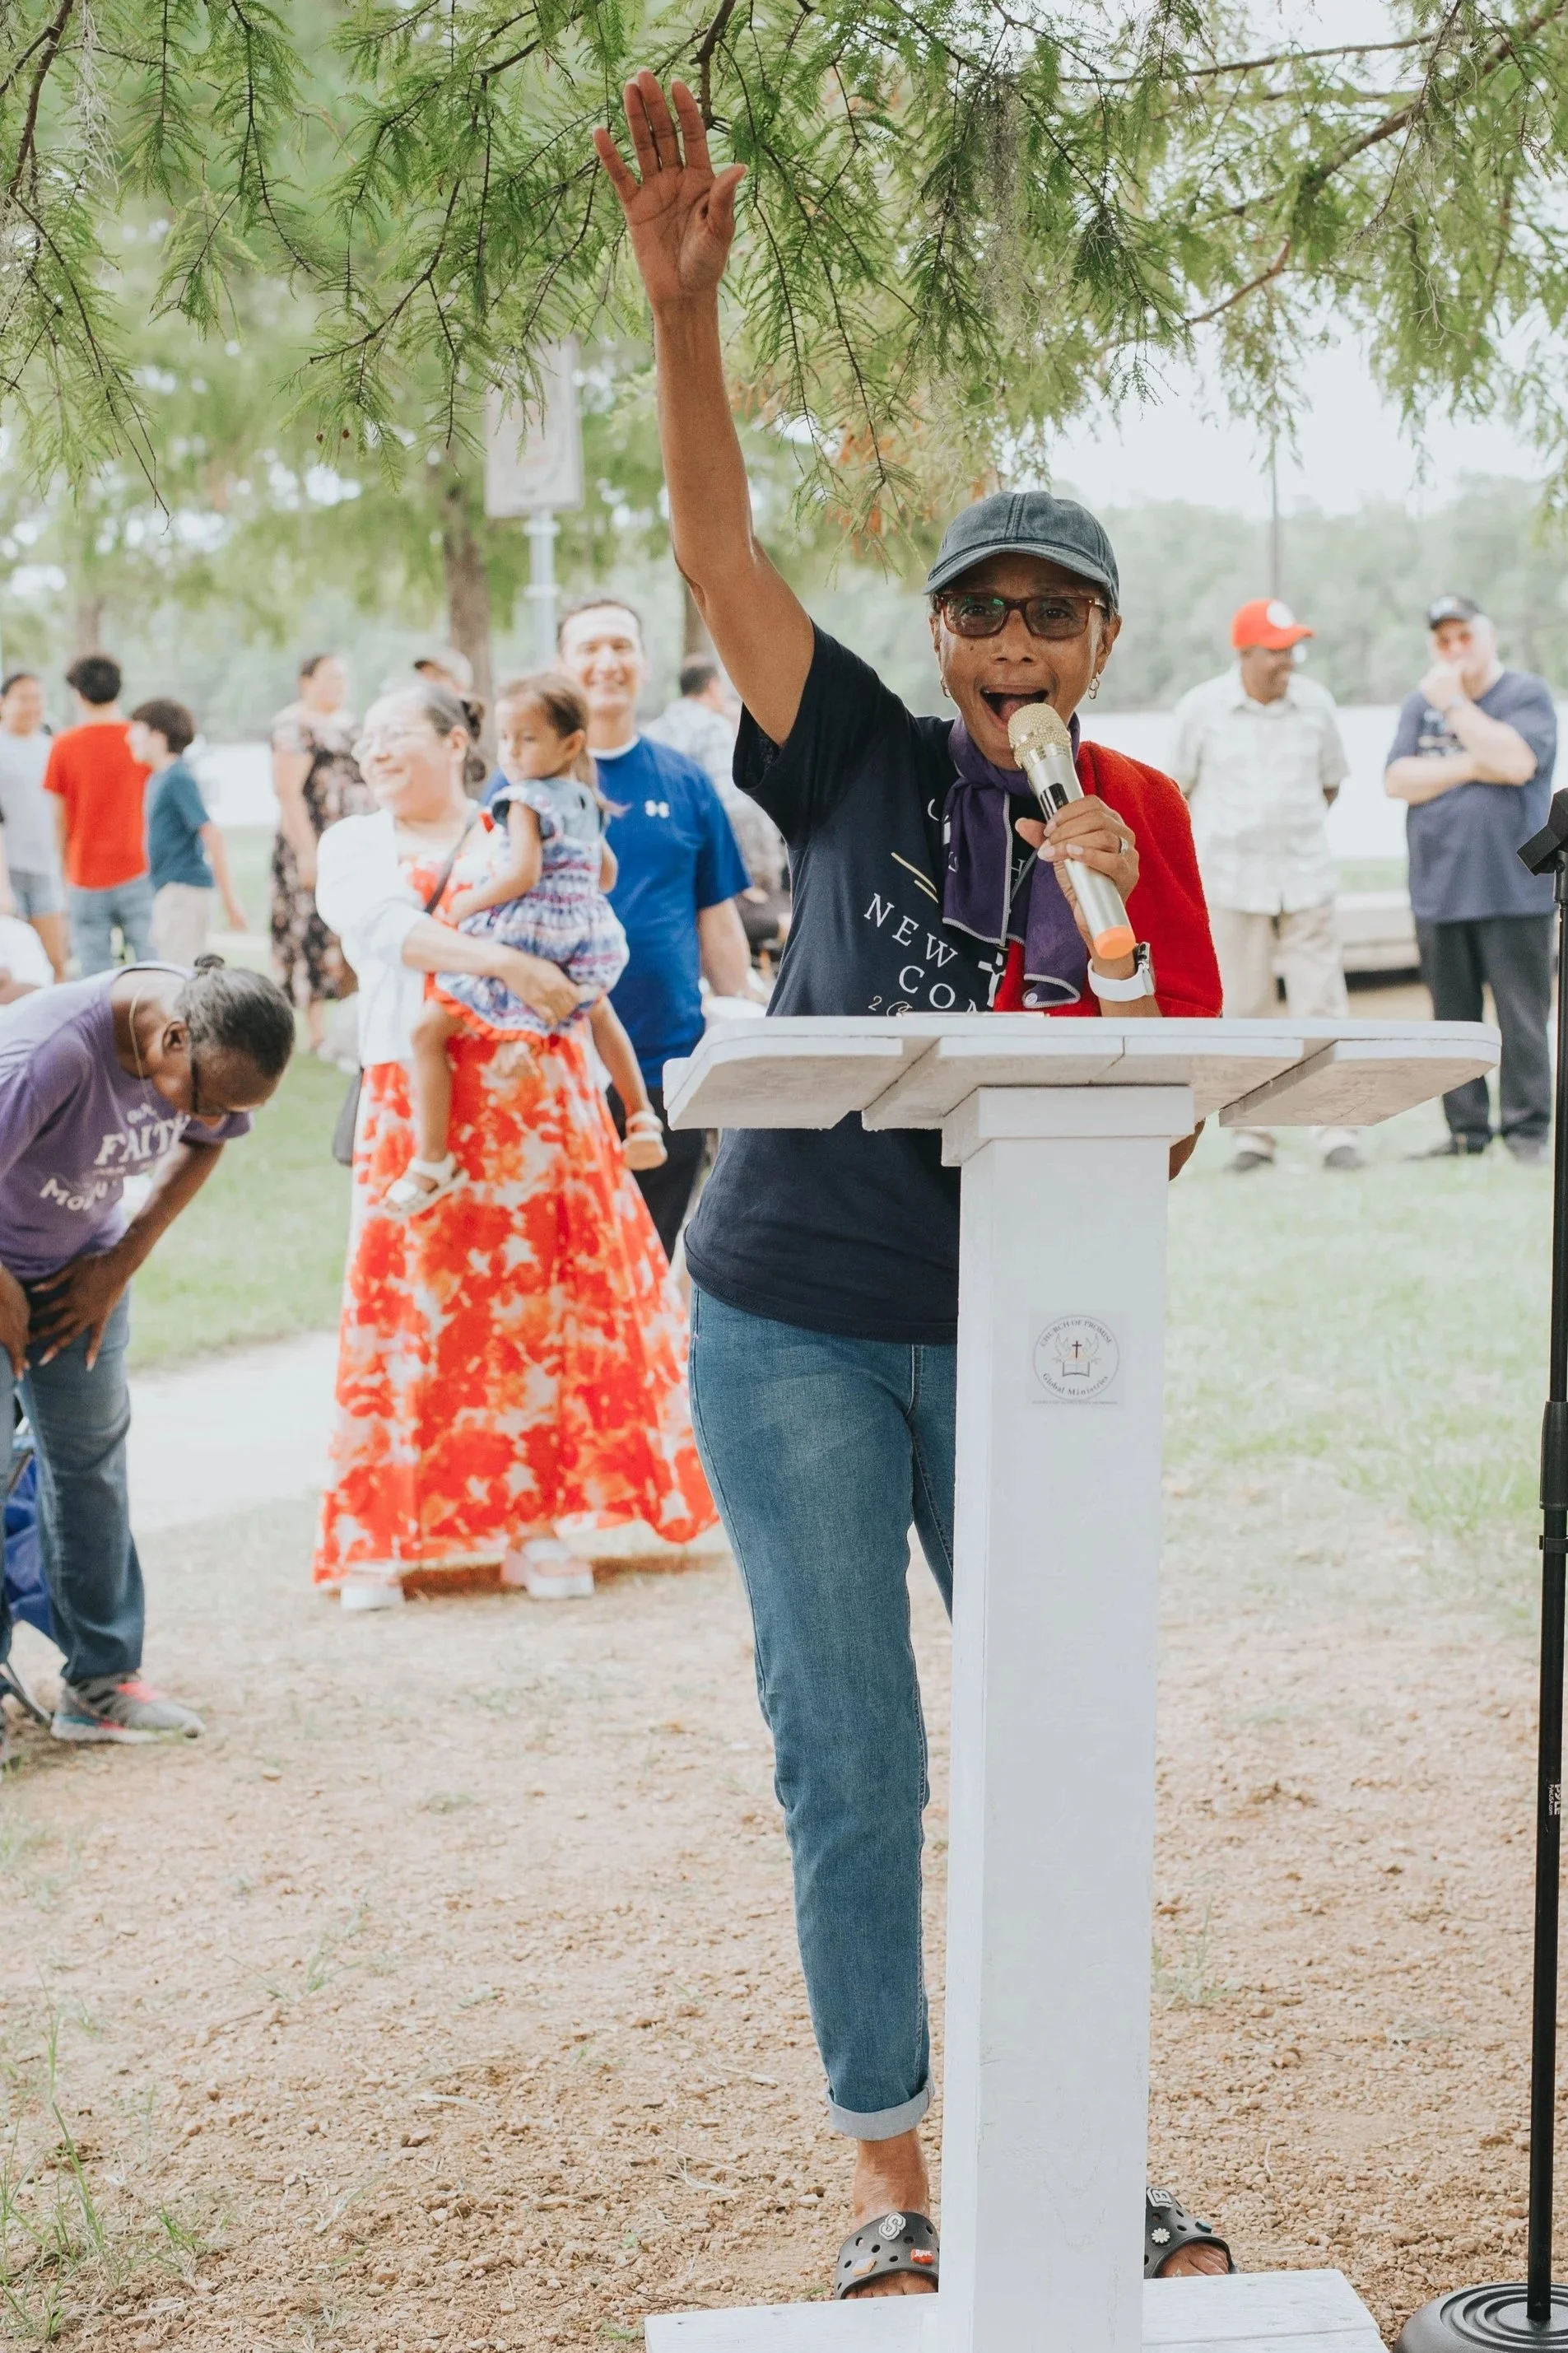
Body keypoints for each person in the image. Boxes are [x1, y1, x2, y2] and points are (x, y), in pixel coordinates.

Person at [595, 71, 1231, 2299]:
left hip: (1018, 1330)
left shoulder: (1136, 812)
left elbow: (1171, 1104)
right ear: (945, 633)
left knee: (1059, 1723)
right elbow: (715, 553)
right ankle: (894, 2181)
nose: (1016, 645)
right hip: (787, 1311)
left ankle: (1073, 2135)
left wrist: (1117, 921)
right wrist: (687, 313)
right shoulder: (856, 748)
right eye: (986, 609)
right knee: (851, 1748)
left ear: (1101, 644)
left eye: (1055, 615)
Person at [312, 679, 717, 1606]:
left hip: (539, 1096)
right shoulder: (356, 842)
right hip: (419, 1097)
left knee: (537, 1316)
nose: (375, 751)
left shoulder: (527, 818)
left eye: (397, 733)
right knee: (408, 1300)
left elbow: (591, 910)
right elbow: (386, 932)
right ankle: (382, 1532)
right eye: (366, 737)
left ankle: (535, 1521)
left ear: (459, 741)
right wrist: (506, 962)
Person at [0, 958, 294, 1758]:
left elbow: (206, 1144)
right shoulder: (50, 1052)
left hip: (80, 1269)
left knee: (89, 1461)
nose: (209, 1118)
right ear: (171, 1035)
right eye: (202, 1099)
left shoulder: (205, 1042)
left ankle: (100, 1683)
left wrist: (117, 1264)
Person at [389, 673, 668, 1214]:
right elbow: (606, 874)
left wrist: (469, 903)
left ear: (570, 744)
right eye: (507, 738)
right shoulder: (587, 800)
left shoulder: (524, 800)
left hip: (528, 935)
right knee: (599, 1012)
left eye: (528, 739)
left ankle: (430, 1158)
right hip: (583, 935)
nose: (512, 752)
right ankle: (641, 1115)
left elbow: (520, 873)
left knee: (427, 1031)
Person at [555, 598, 752, 1257]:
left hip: (667, 1067)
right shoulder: (521, 782)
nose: (606, 662)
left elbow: (717, 921)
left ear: (643, 664)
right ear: (562, 666)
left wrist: (746, 1029)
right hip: (554, 1069)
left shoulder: (686, 780)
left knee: (648, 1259)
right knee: (561, 1266)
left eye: (621, 646)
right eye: (588, 648)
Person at [1171, 599, 1361, 1172]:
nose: (1287, 662)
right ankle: (1253, 1139)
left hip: (1305, 876)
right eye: (1276, 652)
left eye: (1291, 650)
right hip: (1230, 883)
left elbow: (1330, 784)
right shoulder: (1202, 708)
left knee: (1321, 1007)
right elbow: (1177, 791)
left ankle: (1335, 1133)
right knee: (1243, 1011)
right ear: (1245, 653)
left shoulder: (1315, 705)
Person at [1385, 595, 1558, 1163]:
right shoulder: (1419, 703)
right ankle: (1466, 1131)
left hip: (1514, 888)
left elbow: (1516, 765)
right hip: (1439, 889)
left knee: (1521, 1017)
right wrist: (1470, 762)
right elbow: (1398, 779)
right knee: (1451, 1023)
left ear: (1488, 636)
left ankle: (1527, 1131)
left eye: (1464, 637)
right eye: (1443, 641)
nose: (1454, 650)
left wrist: (1456, 706)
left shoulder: (1525, 695)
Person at [652, 655, 791, 955]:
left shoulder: (658, 729)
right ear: (714, 687)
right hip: (714, 854)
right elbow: (736, 806)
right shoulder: (711, 726)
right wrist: (758, 872)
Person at [270, 653, 370, 1054]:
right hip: (314, 839)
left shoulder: (352, 725)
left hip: (355, 841)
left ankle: (353, 1016)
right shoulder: (293, 726)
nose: (338, 686)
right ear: (306, 681)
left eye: (343, 678)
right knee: (311, 926)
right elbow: (288, 793)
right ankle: (315, 1030)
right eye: (329, 678)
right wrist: (308, 853)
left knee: (354, 926)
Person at [44, 655, 152, 974]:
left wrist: (63, 873)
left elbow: (59, 820)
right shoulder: (140, 739)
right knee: (153, 967)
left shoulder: (64, 745)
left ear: (78, 694)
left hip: (85, 873)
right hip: (139, 866)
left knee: (95, 980)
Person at [129, 700, 249, 969]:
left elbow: (211, 834)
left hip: (183, 890)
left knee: (179, 975)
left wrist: (231, 901)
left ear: (158, 736)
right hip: (167, 890)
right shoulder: (159, 778)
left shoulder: (178, 778)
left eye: (136, 730)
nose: (129, 738)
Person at [0, 671, 68, 981]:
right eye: (23, 698)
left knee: (55, 959)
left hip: (46, 868)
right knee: (11, 964)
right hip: (7, 869)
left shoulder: (53, 748)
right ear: (4, 703)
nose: (32, 706)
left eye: (38, 698)